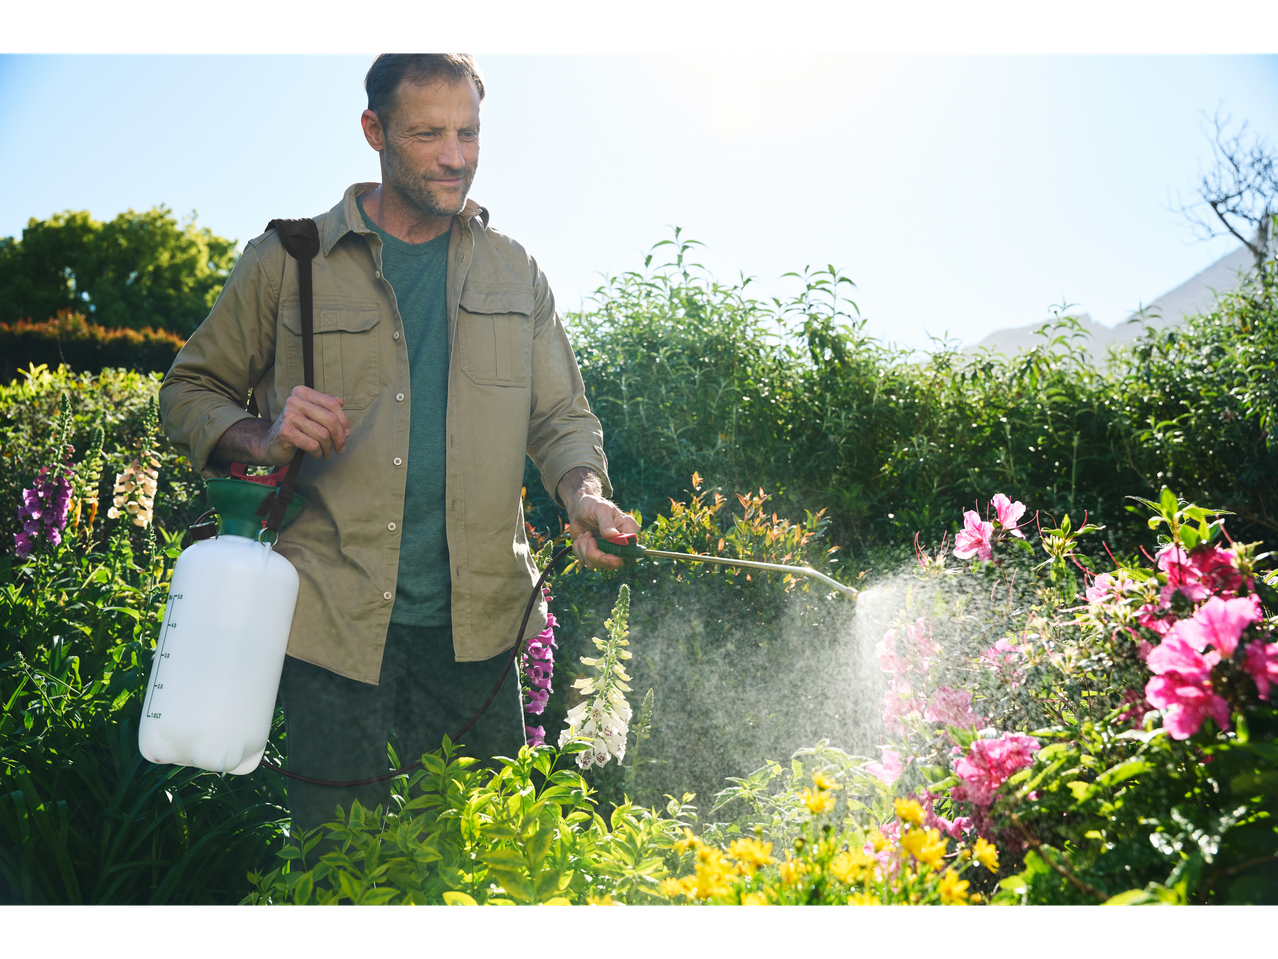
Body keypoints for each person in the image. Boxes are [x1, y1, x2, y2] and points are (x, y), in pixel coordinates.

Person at [159, 52, 638, 829]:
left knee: (479, 861)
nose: (456, 157)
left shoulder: (517, 273)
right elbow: (187, 390)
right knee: (339, 865)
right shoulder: (290, 261)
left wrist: (585, 495)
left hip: (476, 632)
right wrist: (265, 432)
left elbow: (561, 421)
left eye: (469, 133)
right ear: (374, 130)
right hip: (332, 625)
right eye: (429, 134)